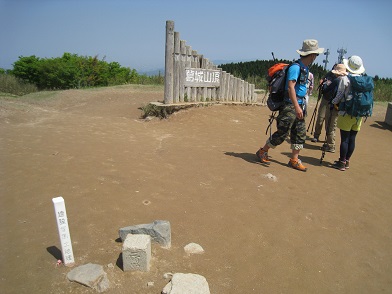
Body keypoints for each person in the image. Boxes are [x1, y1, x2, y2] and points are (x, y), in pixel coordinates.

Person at [256, 39, 324, 172]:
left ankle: (294, 159)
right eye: (316, 54)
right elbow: (290, 88)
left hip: (299, 105)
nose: (316, 57)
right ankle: (262, 151)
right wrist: (297, 106)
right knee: (283, 132)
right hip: (290, 106)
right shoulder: (296, 68)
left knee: (299, 133)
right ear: (311, 55)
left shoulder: (304, 68)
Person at [331, 55, 366, 171]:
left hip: (346, 112)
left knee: (344, 139)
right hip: (359, 114)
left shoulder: (345, 79)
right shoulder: (363, 80)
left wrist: (333, 103)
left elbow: (340, 95)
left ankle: (341, 162)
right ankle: (347, 161)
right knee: (352, 138)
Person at [311, 64, 348, 153]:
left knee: (330, 125)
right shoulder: (347, 80)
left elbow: (327, 89)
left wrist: (333, 101)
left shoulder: (337, 80)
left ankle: (330, 145)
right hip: (340, 106)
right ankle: (328, 142)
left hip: (333, 104)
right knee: (331, 124)